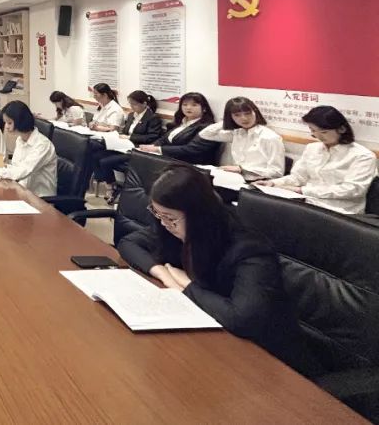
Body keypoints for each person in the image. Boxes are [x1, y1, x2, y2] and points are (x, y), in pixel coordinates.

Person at [118, 165, 316, 375]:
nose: (164, 223)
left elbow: (242, 319)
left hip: (269, 362)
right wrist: (164, 274)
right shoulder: (172, 227)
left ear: (198, 215)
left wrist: (187, 286)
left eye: (170, 218)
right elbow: (128, 243)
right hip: (213, 339)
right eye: (158, 214)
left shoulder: (249, 249)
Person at [257, 106, 377, 214]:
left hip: (339, 211)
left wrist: (302, 190)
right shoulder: (312, 148)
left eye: (324, 132)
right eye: (313, 130)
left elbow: (353, 190)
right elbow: (298, 177)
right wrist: (274, 183)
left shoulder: (363, 156)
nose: (318, 136)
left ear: (341, 129)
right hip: (307, 203)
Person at [92, 90, 166, 198]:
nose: (132, 107)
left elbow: (152, 137)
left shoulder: (153, 118)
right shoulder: (131, 115)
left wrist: (130, 137)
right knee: (96, 155)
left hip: (137, 149)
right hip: (123, 146)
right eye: (130, 104)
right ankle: (111, 185)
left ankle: (113, 188)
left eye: (134, 104)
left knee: (105, 162)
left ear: (144, 104)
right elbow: (125, 131)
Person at [0, 101, 56, 196]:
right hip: (21, 190)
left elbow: (22, 172)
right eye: (5, 123)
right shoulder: (20, 140)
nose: (6, 127)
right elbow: (16, 167)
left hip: (39, 198)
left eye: (9, 123)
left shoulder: (42, 145)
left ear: (21, 121)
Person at [199, 97, 285, 180]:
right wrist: (226, 121)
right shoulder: (236, 133)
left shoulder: (270, 137)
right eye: (237, 115)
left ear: (255, 112)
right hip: (235, 179)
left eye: (248, 113)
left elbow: (277, 172)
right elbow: (205, 134)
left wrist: (242, 169)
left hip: (260, 183)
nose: (244, 118)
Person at [138, 92, 220, 165]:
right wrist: (151, 146)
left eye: (194, 105)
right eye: (185, 105)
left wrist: (158, 149)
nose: (188, 108)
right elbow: (164, 139)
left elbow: (191, 149)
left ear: (204, 108)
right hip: (169, 160)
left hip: (190, 165)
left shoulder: (208, 127)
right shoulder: (180, 122)